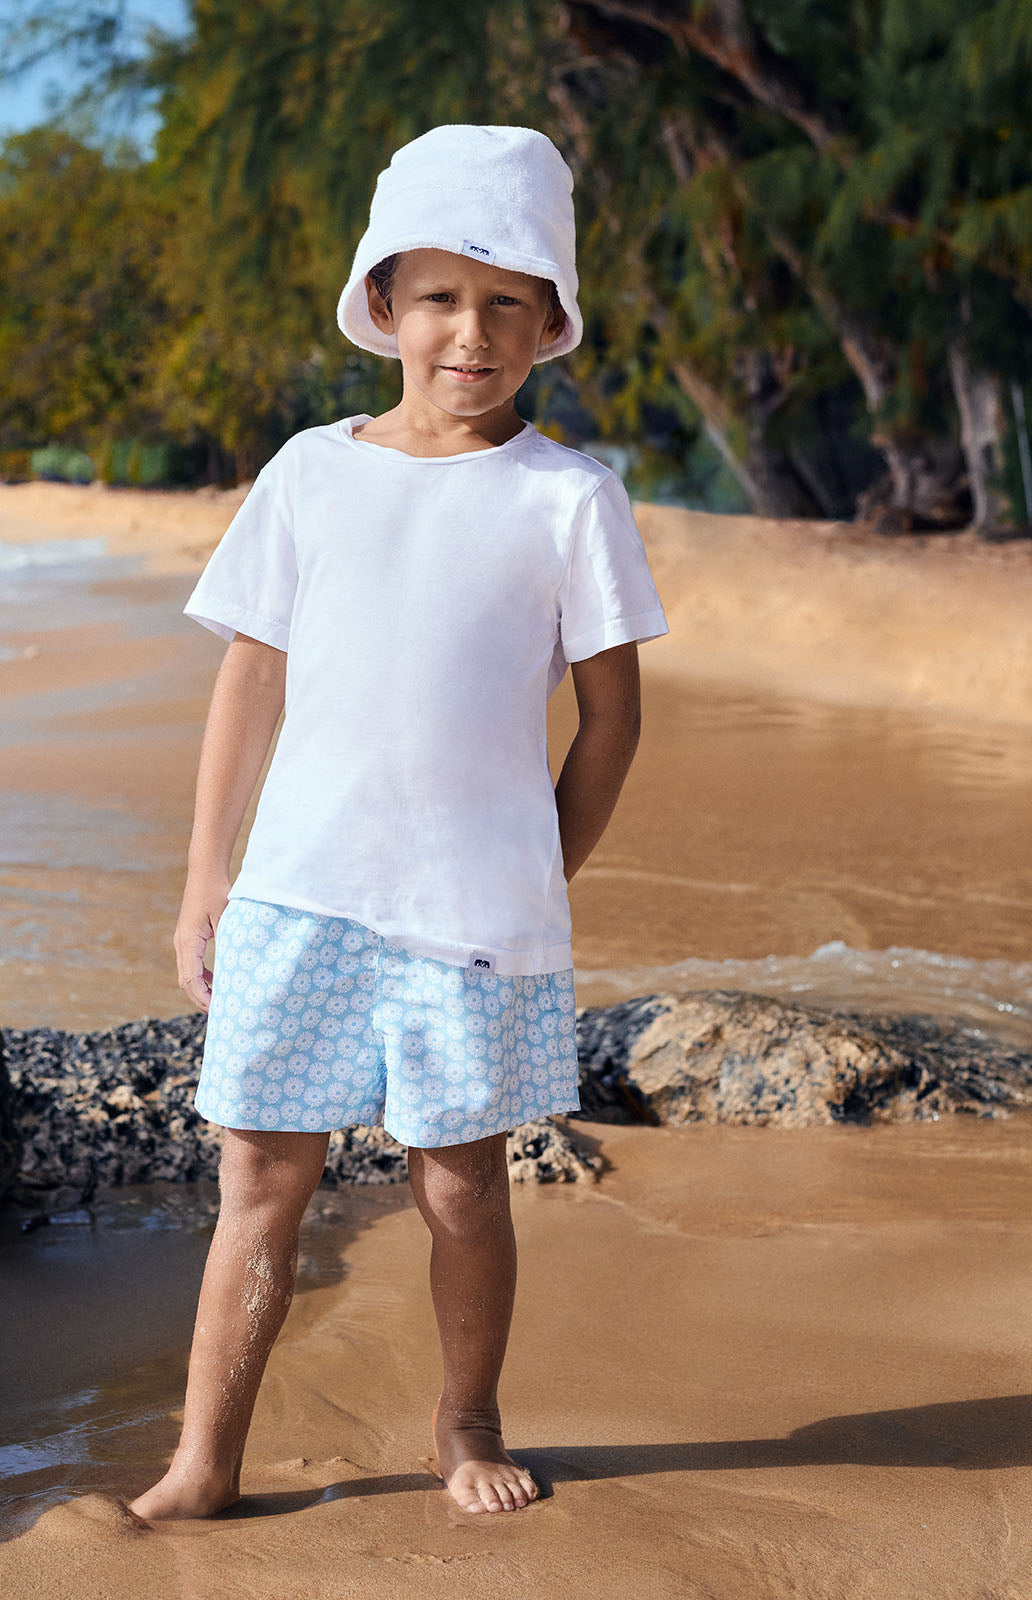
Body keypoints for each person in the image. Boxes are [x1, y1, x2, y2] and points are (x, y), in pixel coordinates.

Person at [127, 123, 667, 1523]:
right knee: (261, 1177)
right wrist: (207, 884)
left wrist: (540, 871)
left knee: (461, 1188)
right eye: (439, 296)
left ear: (551, 321)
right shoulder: (310, 471)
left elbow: (611, 718)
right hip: (299, 897)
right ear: (385, 305)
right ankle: (203, 1462)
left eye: (506, 302)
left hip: (469, 915)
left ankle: (467, 1422)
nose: (470, 332)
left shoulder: (571, 500)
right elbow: (252, 677)